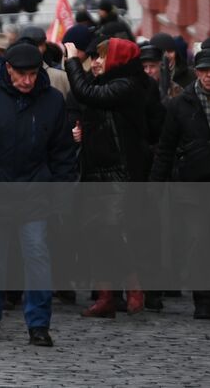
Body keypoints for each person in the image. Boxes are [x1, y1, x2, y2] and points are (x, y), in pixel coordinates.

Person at [0, 41, 78, 347]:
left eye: (33, 74)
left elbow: (62, 153)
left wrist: (61, 196)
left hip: (35, 193)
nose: (28, 81)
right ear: (8, 69)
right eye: (22, 74)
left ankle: (38, 324)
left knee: (37, 257)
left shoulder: (51, 101)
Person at [64, 37, 154, 317]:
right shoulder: (103, 84)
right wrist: (80, 133)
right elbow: (89, 109)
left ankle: (133, 284)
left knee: (111, 230)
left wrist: (72, 61)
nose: (97, 62)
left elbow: (86, 94)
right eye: (94, 58)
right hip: (95, 167)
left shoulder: (128, 84)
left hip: (119, 170)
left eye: (103, 57)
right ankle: (105, 296)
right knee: (94, 232)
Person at [151, 46, 210, 319]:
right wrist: (156, 182)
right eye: (204, 71)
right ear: (197, 73)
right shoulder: (180, 104)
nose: (209, 76)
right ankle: (203, 300)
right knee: (201, 242)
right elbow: (166, 146)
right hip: (192, 183)